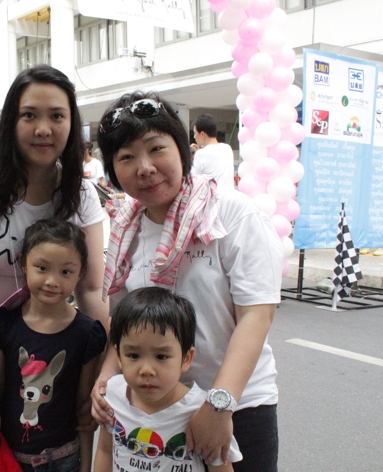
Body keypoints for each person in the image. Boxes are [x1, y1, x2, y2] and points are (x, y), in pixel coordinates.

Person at [92, 91, 282, 472]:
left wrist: (219, 403)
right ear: (112, 171)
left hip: (237, 407)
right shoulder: (125, 229)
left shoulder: (230, 213)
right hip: (155, 409)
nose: (145, 167)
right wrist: (107, 377)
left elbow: (256, 315)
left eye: (156, 149)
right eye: (127, 157)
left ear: (182, 151)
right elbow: (125, 323)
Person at [0, 65, 109, 464]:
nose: (43, 129)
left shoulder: (81, 192)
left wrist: (104, 378)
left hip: (44, 359)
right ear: (10, 122)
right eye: (29, 115)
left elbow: (91, 292)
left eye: (57, 116)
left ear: (72, 124)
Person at [0, 219, 107, 472]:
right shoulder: (3, 325)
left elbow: (84, 411)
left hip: (64, 460)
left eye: (66, 272)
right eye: (42, 268)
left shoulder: (88, 334)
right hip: (9, 459)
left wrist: (86, 467)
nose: (52, 281)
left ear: (81, 273)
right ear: (23, 263)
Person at [94, 287, 241, 472]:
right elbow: (105, 451)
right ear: (119, 356)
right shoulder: (113, 394)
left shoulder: (200, 412)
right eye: (133, 355)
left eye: (161, 357)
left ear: (186, 359)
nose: (146, 370)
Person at [190, 114, 235, 191]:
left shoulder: (201, 154)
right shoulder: (227, 148)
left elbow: (193, 180)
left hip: (212, 197)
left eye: (195, 133)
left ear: (202, 134)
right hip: (229, 196)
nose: (194, 136)